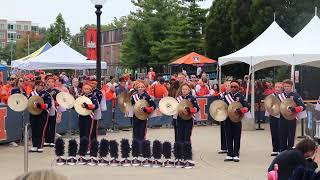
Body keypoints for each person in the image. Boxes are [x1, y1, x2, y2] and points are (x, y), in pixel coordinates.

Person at [222, 80, 249, 162]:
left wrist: (241, 111)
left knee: (237, 136)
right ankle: (229, 154)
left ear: (238, 88)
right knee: (228, 136)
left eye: (235, 87)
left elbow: (247, 107)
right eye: (232, 86)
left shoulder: (241, 97)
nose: (233, 88)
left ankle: (236, 154)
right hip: (227, 118)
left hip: (237, 119)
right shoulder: (225, 96)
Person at [279, 79, 306, 151]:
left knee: (291, 136)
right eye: (285, 86)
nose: (286, 87)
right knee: (282, 135)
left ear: (291, 86)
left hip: (292, 118)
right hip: (282, 118)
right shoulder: (279, 96)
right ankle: (282, 152)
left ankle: (290, 152)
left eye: (288, 86)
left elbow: (303, 106)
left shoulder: (295, 95)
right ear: (283, 87)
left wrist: (294, 109)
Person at [29, 80, 52, 153]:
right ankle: (34, 145)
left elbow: (48, 105)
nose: (41, 87)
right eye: (39, 85)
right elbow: (29, 102)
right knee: (34, 129)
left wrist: (40, 106)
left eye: (42, 85)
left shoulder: (46, 94)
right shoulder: (32, 93)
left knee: (41, 130)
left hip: (42, 114)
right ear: (36, 85)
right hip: (33, 113)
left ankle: (40, 146)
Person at [266, 82, 283, 156]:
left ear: (282, 88)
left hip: (281, 116)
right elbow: (267, 105)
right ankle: (275, 149)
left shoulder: (283, 96)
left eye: (279, 87)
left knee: (281, 133)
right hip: (273, 116)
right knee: (274, 132)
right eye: (276, 87)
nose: (277, 89)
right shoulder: (271, 96)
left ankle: (281, 149)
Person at [43, 75, 60, 147]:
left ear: (54, 83)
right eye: (49, 82)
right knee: (46, 125)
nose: (50, 83)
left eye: (52, 82)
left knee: (52, 125)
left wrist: (57, 103)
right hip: (46, 110)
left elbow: (60, 100)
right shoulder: (45, 91)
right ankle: (47, 140)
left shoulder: (57, 91)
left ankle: (52, 140)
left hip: (54, 109)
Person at [217, 81, 230, 154]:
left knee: (229, 132)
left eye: (229, 85)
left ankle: (230, 147)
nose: (228, 87)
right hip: (223, 114)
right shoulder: (221, 95)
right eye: (226, 85)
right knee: (223, 130)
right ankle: (223, 147)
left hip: (231, 114)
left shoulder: (233, 95)